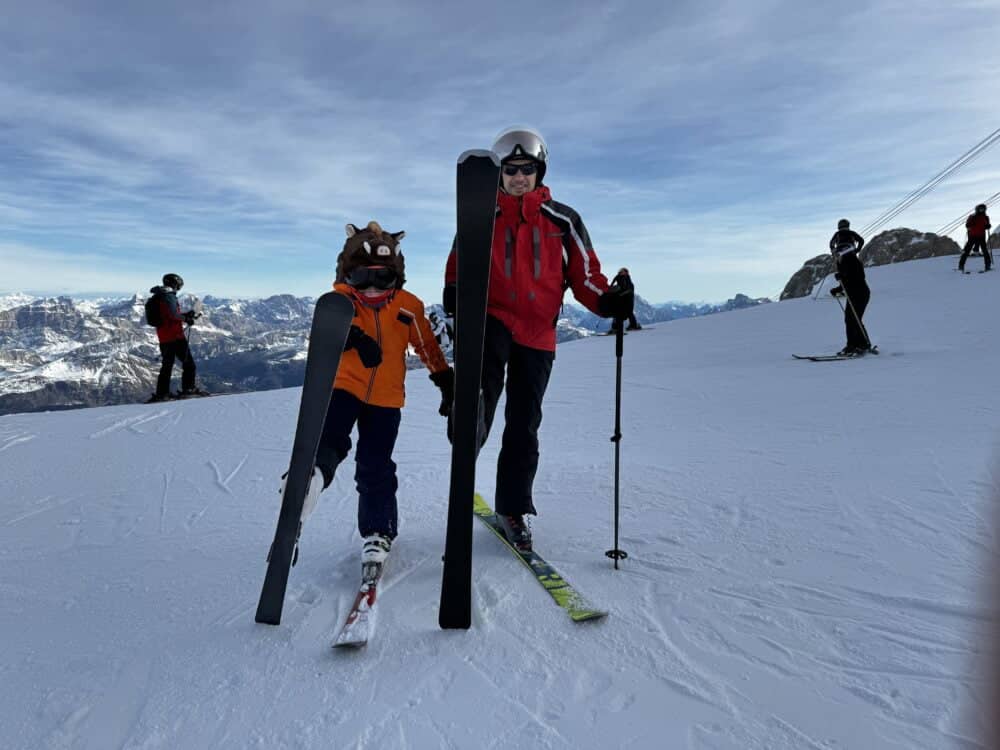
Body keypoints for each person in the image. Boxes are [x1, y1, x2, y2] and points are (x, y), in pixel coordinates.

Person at [442, 126, 633, 551]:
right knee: (479, 399)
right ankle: (465, 447)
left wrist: (609, 302)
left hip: (538, 331)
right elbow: (458, 265)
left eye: (526, 169)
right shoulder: (480, 214)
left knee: (524, 423)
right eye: (510, 170)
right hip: (491, 320)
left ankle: (512, 507)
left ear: (539, 171)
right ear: (500, 174)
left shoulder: (562, 220)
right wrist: (455, 295)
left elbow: (585, 276)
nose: (518, 177)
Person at [285, 221, 454, 573]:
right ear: (348, 275)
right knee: (331, 438)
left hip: (387, 398)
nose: (373, 288)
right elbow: (326, 330)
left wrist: (445, 380)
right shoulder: (341, 302)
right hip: (344, 386)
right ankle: (309, 480)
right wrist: (354, 337)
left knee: (375, 464)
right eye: (362, 278)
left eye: (383, 279)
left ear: (397, 277)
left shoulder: (408, 306)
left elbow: (426, 346)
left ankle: (377, 531)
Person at [146, 273, 203, 402]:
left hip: (164, 337)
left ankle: (162, 394)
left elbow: (168, 315)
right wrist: (187, 318)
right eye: (179, 285)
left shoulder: (158, 296)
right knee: (189, 364)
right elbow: (173, 315)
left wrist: (184, 315)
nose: (178, 288)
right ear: (175, 284)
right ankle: (188, 390)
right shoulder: (169, 295)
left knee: (166, 366)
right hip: (175, 336)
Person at [829, 219, 872, 356]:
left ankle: (862, 345)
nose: (837, 253)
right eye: (837, 251)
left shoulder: (852, 260)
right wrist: (839, 288)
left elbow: (858, 276)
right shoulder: (842, 263)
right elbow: (846, 281)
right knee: (850, 319)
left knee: (853, 319)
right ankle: (853, 345)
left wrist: (843, 278)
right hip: (853, 293)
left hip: (860, 292)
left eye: (839, 251)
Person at [958, 203, 992, 273]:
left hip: (981, 236)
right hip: (972, 236)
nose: (982, 210)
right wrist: (969, 224)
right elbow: (967, 225)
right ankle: (961, 266)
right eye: (980, 209)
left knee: (985, 251)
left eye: (983, 209)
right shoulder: (972, 216)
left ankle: (988, 265)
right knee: (967, 251)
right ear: (977, 209)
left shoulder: (986, 217)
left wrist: (988, 226)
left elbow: (986, 225)